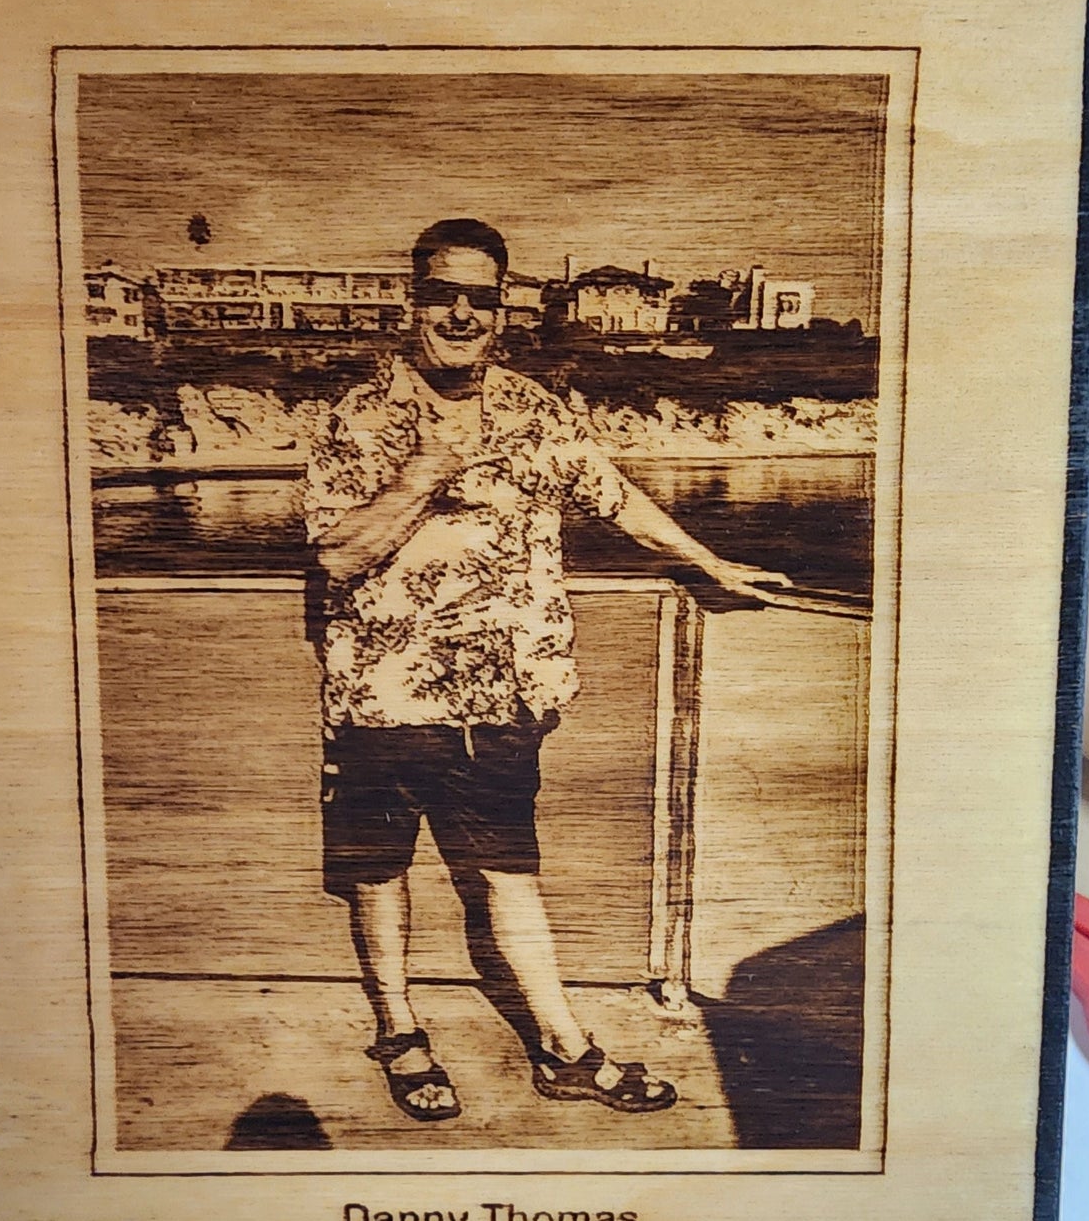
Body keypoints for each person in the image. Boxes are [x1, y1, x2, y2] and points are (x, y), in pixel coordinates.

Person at [303, 218, 792, 1124]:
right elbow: (335, 555)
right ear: (413, 300)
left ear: (501, 309)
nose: (460, 314)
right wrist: (419, 476)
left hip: (501, 698)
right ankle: (399, 1028)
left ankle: (565, 1049)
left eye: (479, 298)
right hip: (382, 693)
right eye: (442, 294)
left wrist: (708, 562)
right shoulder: (357, 417)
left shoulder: (536, 409)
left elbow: (615, 497)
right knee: (377, 869)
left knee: (507, 871)